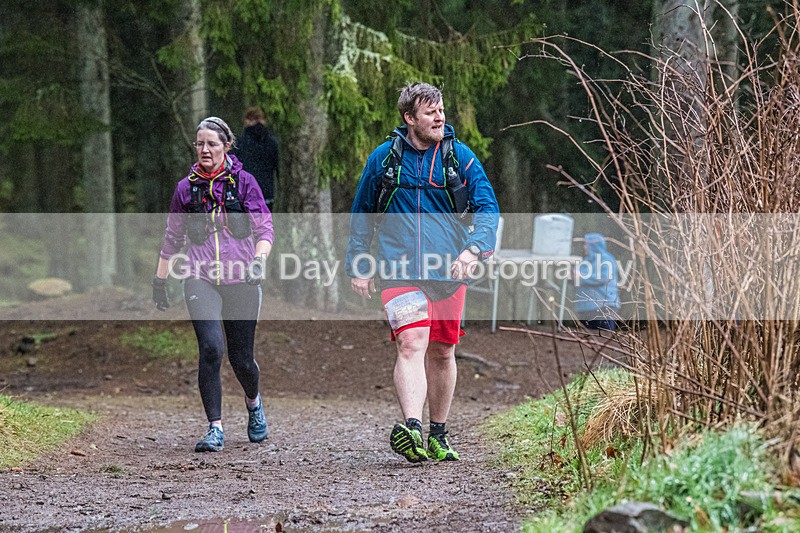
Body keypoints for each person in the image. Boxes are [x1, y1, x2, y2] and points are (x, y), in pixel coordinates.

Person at [345, 82, 499, 463]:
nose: (440, 117)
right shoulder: (384, 159)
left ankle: (438, 433)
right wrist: (359, 262)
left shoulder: (459, 157)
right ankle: (412, 427)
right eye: (430, 112)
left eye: (442, 110)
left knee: (443, 352)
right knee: (412, 342)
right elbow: (363, 212)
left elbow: (488, 208)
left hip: (449, 271)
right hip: (397, 269)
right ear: (409, 118)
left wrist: (474, 249)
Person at [152, 116, 274, 453]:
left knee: (242, 360)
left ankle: (253, 402)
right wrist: (160, 280)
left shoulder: (245, 182)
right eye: (200, 143)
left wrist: (258, 262)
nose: (205, 149)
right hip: (199, 276)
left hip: (241, 277)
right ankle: (215, 428)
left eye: (212, 144)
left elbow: (265, 230)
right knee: (210, 348)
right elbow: (173, 237)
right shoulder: (185, 189)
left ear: (226, 146)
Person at [231, 107, 279, 208]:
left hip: (246, 193)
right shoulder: (272, 143)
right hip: (267, 194)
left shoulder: (240, 143)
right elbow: (277, 168)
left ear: (248, 120)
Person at [574, 233, 621, 331]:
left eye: (586, 244)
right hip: (586, 309)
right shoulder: (585, 261)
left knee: (604, 338)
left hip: (604, 307)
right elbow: (577, 279)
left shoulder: (606, 259)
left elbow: (603, 278)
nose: (584, 247)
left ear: (593, 246)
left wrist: (581, 276)